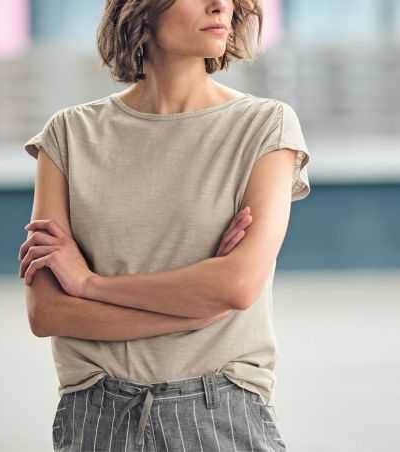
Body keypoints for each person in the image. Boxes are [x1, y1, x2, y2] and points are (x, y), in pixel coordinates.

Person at [18, 0, 311, 450]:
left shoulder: (265, 126)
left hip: (220, 412)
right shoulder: (68, 136)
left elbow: (236, 286)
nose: (221, 7)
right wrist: (195, 306)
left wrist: (89, 283)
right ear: (142, 10)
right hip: (96, 415)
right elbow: (48, 313)